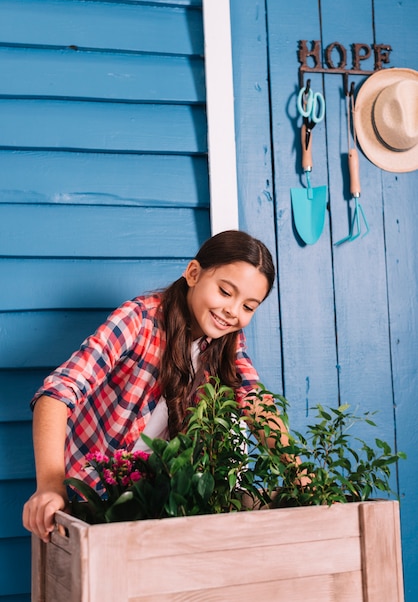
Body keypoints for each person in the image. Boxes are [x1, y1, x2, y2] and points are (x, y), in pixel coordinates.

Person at [23, 229, 284, 542]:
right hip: (95, 497)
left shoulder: (227, 341)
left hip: (162, 500)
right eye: (226, 292)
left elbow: (255, 403)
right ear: (194, 273)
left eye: (248, 306)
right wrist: (50, 485)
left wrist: (298, 473)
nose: (233, 311)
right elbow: (56, 393)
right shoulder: (139, 318)